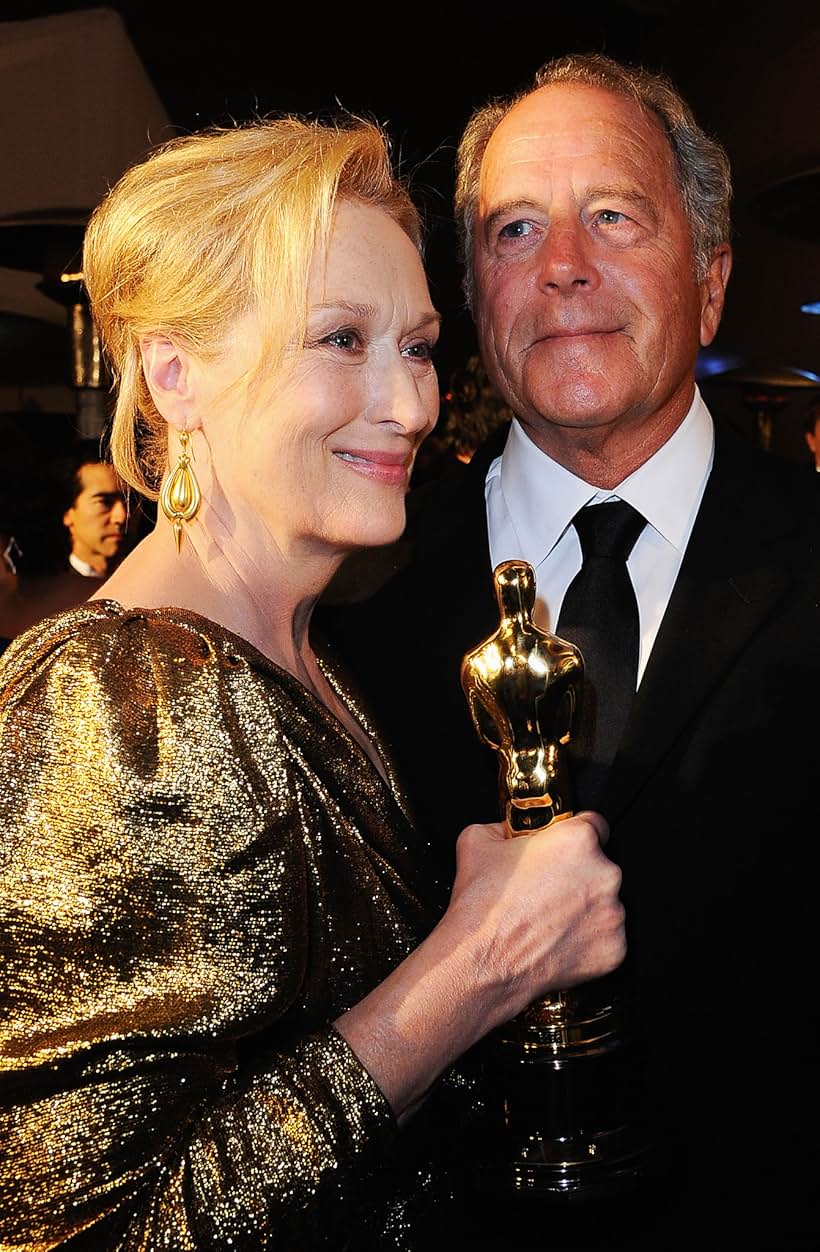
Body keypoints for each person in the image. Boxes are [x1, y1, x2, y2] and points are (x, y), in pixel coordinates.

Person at [0, 116, 627, 1251]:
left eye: (422, 346)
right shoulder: (118, 700)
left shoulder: (311, 653)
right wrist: (476, 967)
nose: (410, 406)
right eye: (340, 339)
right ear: (175, 373)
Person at [317, 54, 820, 1249]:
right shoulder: (348, 595)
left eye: (612, 217)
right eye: (515, 228)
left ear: (709, 280)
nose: (563, 267)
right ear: (471, 294)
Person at [60, 440, 128, 579]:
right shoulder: (46, 592)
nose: (122, 516)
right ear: (68, 512)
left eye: (131, 502)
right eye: (104, 502)